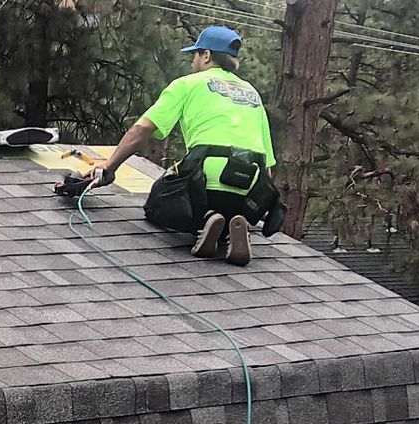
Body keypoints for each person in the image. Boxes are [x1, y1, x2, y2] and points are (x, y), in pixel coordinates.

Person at [86, 26, 282, 266]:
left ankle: (204, 222)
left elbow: (142, 130)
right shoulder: (252, 94)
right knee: (230, 200)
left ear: (207, 55)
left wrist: (110, 166)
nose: (193, 60)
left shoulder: (188, 84)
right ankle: (229, 227)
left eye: (196, 54)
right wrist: (259, 203)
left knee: (158, 201)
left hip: (208, 176)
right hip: (250, 182)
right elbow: (269, 165)